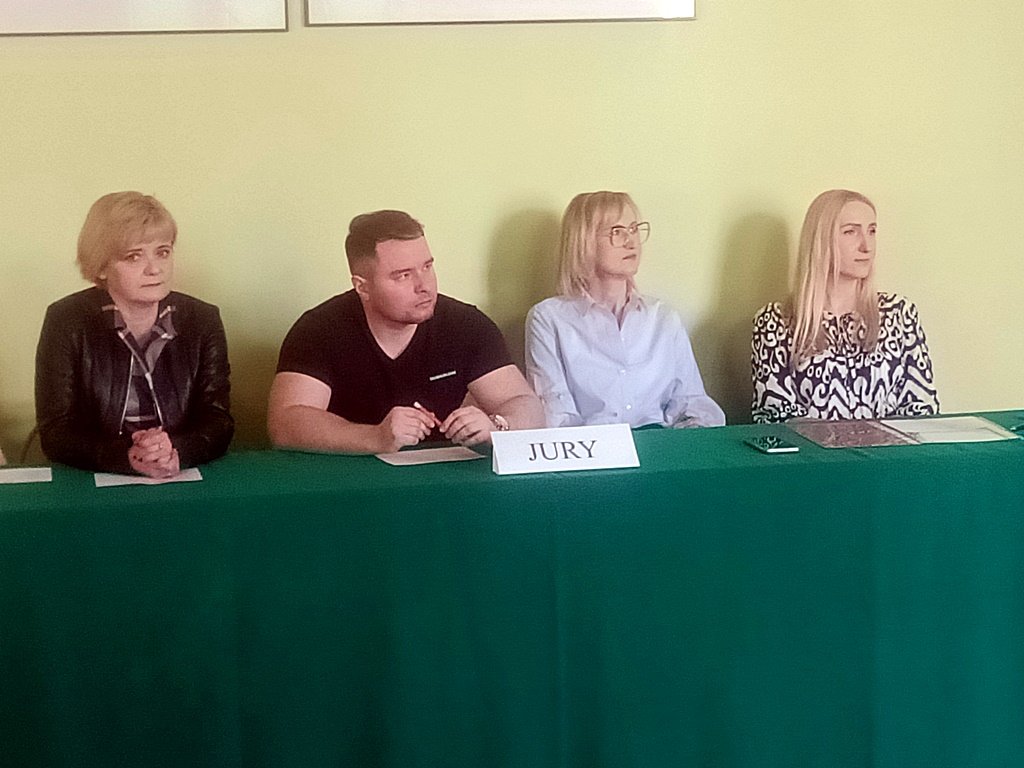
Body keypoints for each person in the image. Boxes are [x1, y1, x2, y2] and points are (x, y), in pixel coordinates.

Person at [267, 209, 545, 453]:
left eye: (427, 267)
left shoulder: (465, 325)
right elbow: (286, 423)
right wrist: (375, 437)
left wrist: (498, 427)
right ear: (362, 286)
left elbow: (526, 404)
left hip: (443, 477)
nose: (424, 286)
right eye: (403, 275)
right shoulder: (319, 330)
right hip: (347, 479)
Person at [35, 192, 233, 476]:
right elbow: (56, 431)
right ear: (102, 267)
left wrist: (175, 452)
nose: (154, 269)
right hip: (100, 476)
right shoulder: (66, 320)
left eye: (163, 252)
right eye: (133, 257)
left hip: (176, 472)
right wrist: (127, 457)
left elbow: (218, 420)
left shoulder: (202, 319)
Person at [525, 191, 725, 429]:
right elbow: (556, 416)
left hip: (662, 442)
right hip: (594, 446)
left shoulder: (662, 317)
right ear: (584, 241)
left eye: (634, 229)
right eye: (617, 232)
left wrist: (692, 431)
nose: (631, 242)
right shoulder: (548, 319)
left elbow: (692, 401)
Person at [751, 189, 938, 423]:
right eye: (851, 232)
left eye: (872, 231)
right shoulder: (776, 321)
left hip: (891, 447)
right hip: (811, 448)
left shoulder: (899, 313)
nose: (867, 246)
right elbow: (775, 416)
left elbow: (922, 409)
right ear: (821, 241)